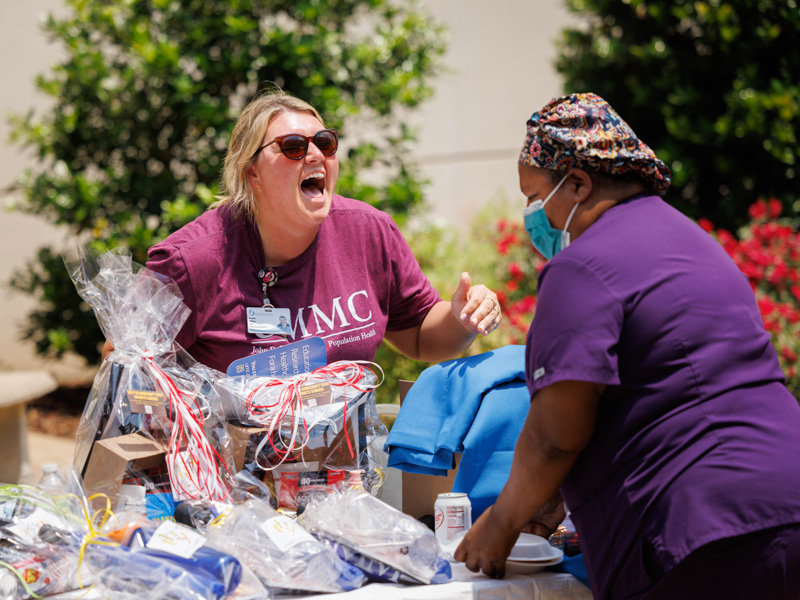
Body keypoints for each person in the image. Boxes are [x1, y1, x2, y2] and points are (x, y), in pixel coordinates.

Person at [455, 93, 800, 599]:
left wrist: (502, 522)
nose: (531, 216)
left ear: (576, 183)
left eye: (534, 197)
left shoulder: (582, 266)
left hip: (704, 528)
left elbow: (556, 434)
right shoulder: (694, 242)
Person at [103, 89, 501, 372]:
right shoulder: (191, 261)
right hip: (230, 482)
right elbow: (120, 365)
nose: (314, 154)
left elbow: (418, 334)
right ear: (252, 173)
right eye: (293, 146)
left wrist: (463, 320)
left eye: (324, 143)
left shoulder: (369, 232)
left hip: (342, 478)